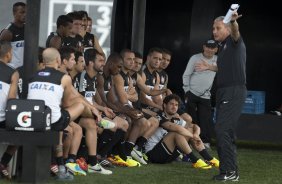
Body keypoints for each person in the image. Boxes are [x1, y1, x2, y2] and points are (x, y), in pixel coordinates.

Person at [211, 12, 247, 181]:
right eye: (213, 28)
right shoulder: (223, 46)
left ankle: (230, 172)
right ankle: (228, 171)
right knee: (225, 131)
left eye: (218, 28)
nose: (214, 31)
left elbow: (236, 33)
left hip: (233, 91)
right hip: (224, 91)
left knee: (222, 130)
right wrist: (209, 67)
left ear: (226, 29)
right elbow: (226, 68)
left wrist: (233, 22)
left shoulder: (234, 42)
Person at [144, 94, 219, 169]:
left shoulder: (176, 118)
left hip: (168, 155)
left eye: (176, 105)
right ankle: (195, 161)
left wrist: (196, 135)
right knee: (176, 133)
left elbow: (195, 126)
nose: (174, 107)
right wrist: (193, 136)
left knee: (190, 129)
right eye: (171, 104)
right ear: (164, 105)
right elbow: (176, 128)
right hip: (154, 154)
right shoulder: (159, 116)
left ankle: (209, 159)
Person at [182, 39, 218, 149]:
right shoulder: (195, 58)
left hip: (206, 95)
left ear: (216, 49)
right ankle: (190, 141)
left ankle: (205, 142)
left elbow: (225, 70)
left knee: (205, 119)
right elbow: (186, 75)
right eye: (208, 47)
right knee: (191, 119)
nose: (210, 50)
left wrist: (209, 67)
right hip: (191, 93)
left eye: (212, 48)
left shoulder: (218, 59)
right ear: (204, 47)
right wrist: (187, 91)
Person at [0, 41, 19, 180]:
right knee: (21, 134)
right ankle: (2, 164)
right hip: (2, 120)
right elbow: (11, 100)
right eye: (12, 52)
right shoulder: (13, 72)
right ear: (8, 54)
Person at [0, 2, 26, 69]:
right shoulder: (7, 32)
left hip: (26, 70)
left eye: (26, 12)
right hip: (13, 70)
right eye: (22, 12)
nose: (25, 14)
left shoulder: (28, 29)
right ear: (14, 13)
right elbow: (2, 54)